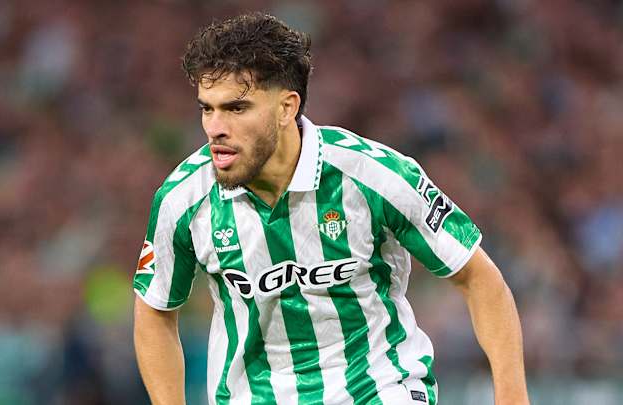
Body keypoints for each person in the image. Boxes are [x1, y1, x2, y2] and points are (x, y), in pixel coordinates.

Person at [133, 12, 529, 405]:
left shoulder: (373, 175)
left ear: (287, 108)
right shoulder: (183, 198)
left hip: (377, 391)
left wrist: (511, 397)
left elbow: (478, 277)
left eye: (236, 108)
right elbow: (154, 310)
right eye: (207, 108)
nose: (215, 128)